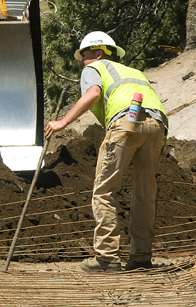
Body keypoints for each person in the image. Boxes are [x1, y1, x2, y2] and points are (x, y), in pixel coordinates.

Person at [43, 31, 168, 273]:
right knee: (145, 194)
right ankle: (141, 257)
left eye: (84, 55)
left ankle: (107, 259)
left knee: (104, 191)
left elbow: (93, 94)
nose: (81, 60)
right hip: (157, 126)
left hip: (126, 123)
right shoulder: (132, 72)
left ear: (98, 53)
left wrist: (62, 122)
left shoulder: (94, 68)